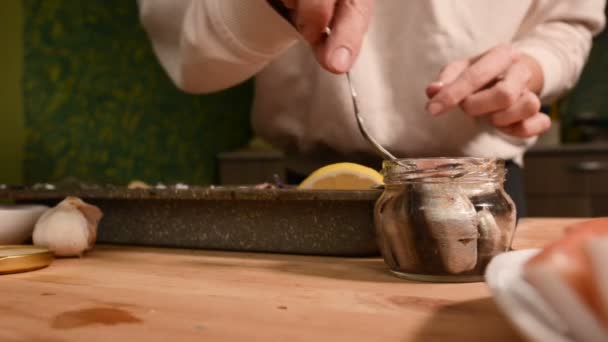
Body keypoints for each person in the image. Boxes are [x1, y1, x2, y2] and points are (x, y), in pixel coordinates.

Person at [136, 0, 606, 215]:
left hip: (484, 194)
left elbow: (567, 22)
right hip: (318, 194)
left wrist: (534, 65)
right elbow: (188, 54)